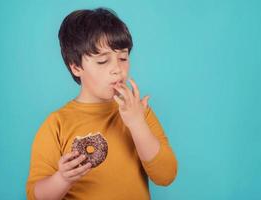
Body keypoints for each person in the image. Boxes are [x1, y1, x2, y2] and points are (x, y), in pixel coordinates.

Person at [26, 7, 177, 200]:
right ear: (76, 67)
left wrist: (137, 123)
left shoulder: (140, 112)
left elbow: (166, 175)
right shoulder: (57, 124)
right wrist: (62, 179)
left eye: (123, 58)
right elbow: (35, 195)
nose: (117, 69)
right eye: (103, 61)